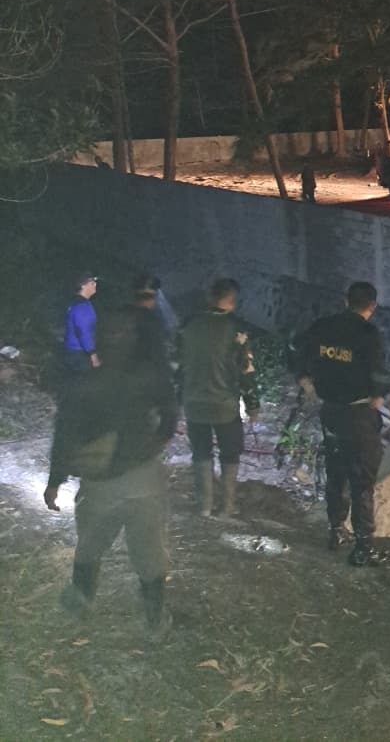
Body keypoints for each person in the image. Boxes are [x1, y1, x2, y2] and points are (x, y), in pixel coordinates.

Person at [44, 304, 178, 639]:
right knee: (149, 551)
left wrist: (55, 481)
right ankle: (154, 620)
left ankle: (81, 600)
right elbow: (170, 416)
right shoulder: (150, 376)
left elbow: (64, 437)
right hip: (144, 478)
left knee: (90, 543)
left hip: (100, 482)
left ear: (98, 341)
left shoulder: (81, 385)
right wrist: (154, 443)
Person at [296, 282, 390, 565]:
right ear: (372, 306)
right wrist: (379, 395)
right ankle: (364, 547)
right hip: (359, 414)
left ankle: (336, 530)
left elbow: (297, 351)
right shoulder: (369, 334)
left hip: (331, 413)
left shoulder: (323, 326)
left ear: (345, 300)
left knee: (336, 472)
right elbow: (378, 373)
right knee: (362, 479)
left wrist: (305, 381)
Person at [177, 278, 260, 519]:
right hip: (225, 405)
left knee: (201, 452)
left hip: (194, 403)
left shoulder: (188, 325)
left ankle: (204, 505)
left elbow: (177, 365)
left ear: (209, 297)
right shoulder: (236, 329)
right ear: (232, 301)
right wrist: (253, 405)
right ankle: (227, 506)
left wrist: (177, 399)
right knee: (229, 453)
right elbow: (245, 370)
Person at [63, 274, 99, 372]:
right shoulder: (82, 306)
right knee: (84, 379)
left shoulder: (75, 302)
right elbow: (83, 332)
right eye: (92, 282)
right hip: (79, 354)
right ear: (83, 285)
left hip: (71, 351)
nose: (95, 284)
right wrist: (93, 354)